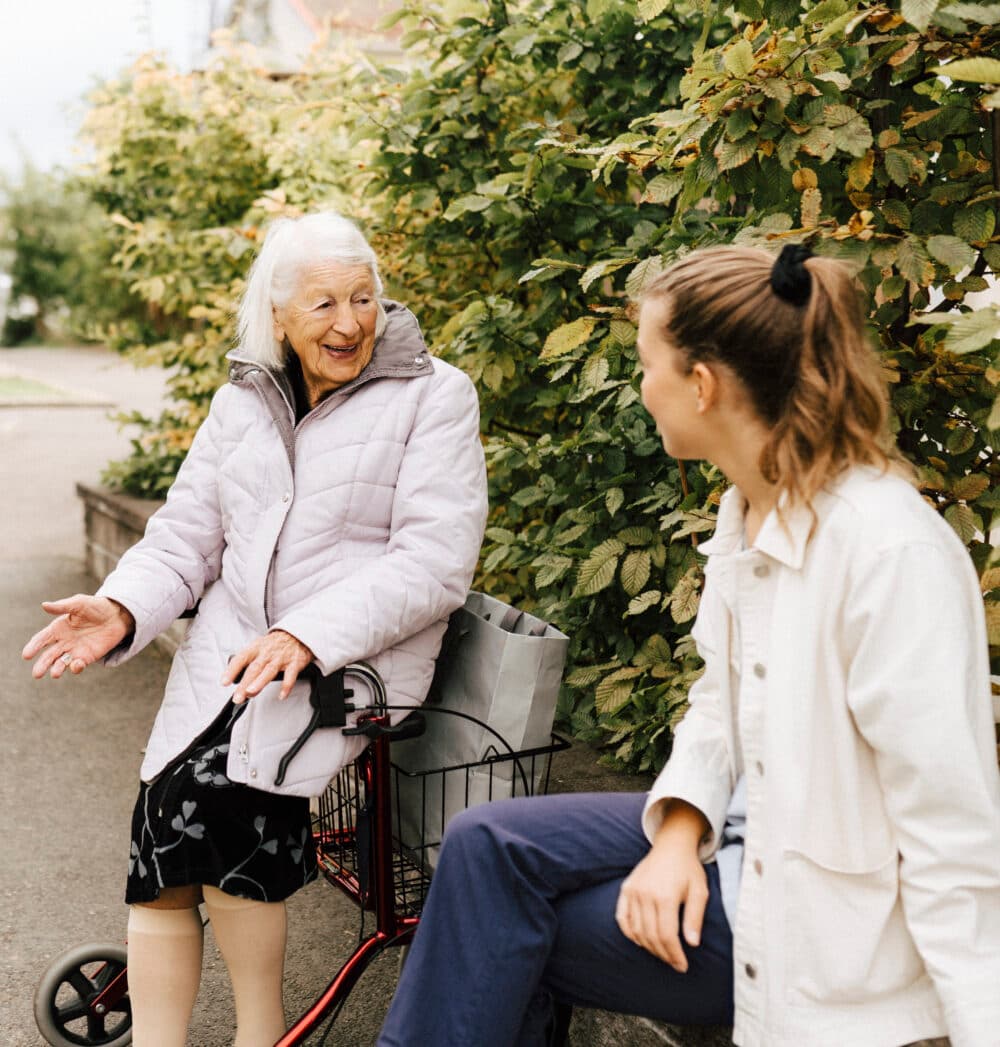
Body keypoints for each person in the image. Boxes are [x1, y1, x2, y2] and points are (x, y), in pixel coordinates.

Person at [376, 244, 1000, 1047]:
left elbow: (955, 837)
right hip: (743, 835)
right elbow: (718, 702)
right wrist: (676, 833)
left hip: (817, 928)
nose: (643, 389)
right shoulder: (752, 510)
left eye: (648, 366)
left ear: (701, 385)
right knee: (485, 843)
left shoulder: (888, 551)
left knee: (497, 932)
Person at [22, 211, 488, 1047]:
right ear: (278, 315)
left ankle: (260, 1034)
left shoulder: (436, 395)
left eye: (362, 298)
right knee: (161, 815)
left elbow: (436, 561)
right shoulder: (243, 400)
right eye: (322, 305)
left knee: (214, 806)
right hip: (236, 659)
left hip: (350, 667)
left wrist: (307, 633)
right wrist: (123, 607)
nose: (349, 322)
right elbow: (186, 537)